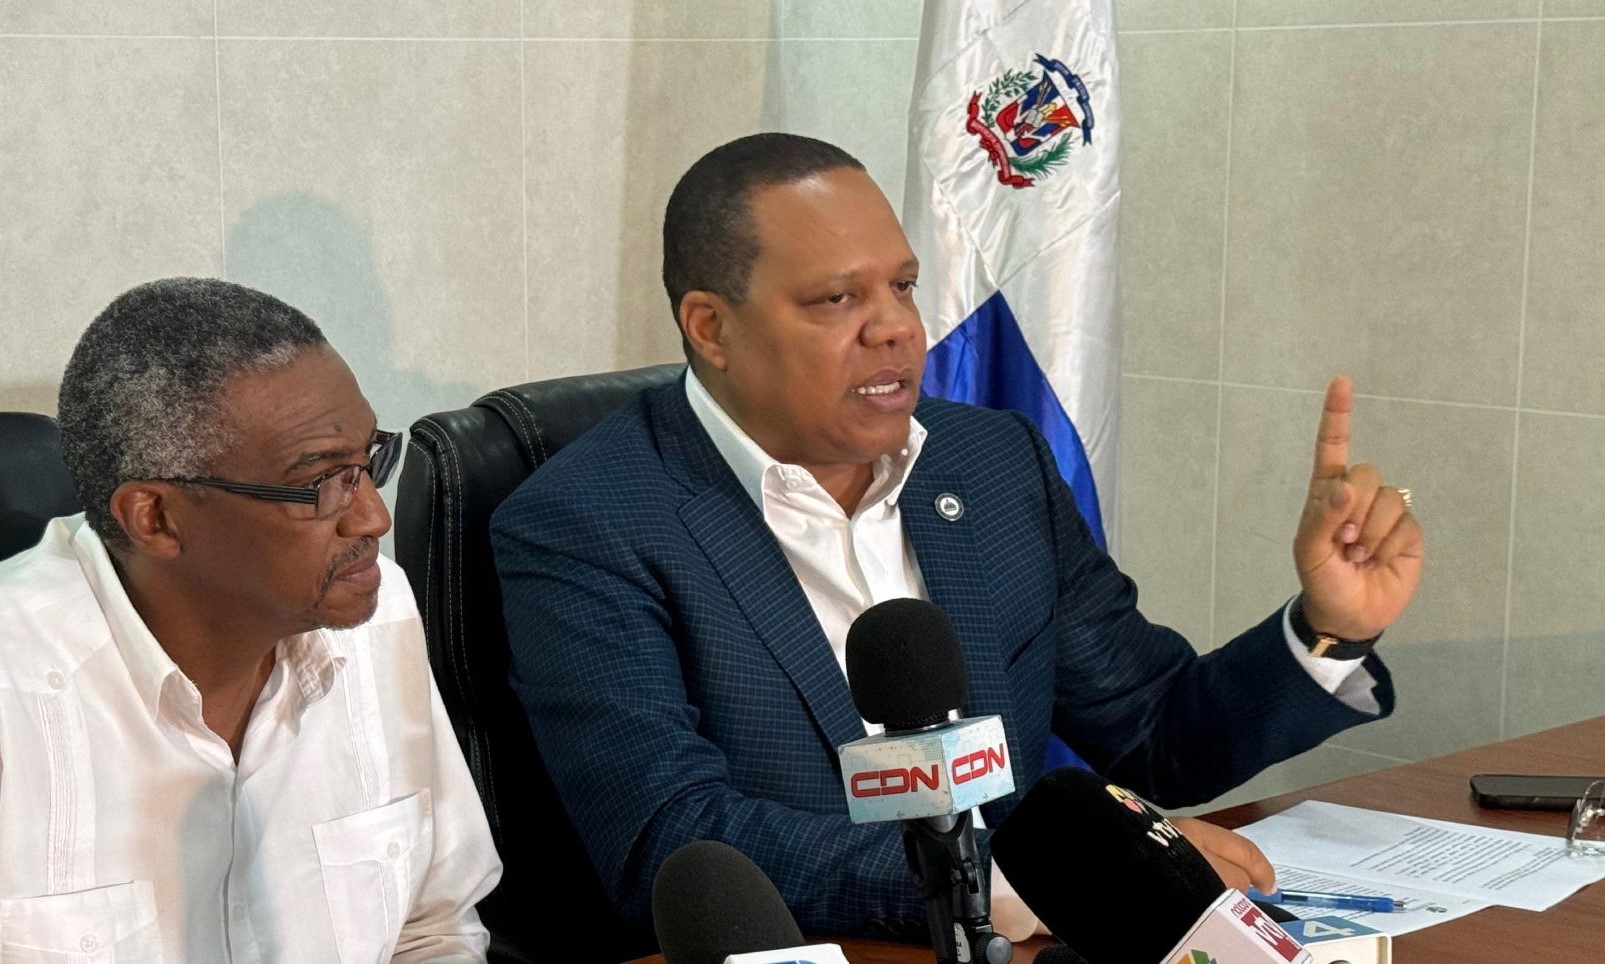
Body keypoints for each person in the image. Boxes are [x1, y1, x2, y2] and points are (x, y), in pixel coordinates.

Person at [492, 134, 1423, 940]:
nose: (896, 328)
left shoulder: (989, 463)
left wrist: (1326, 630)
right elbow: (669, 836)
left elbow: (1150, 731)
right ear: (711, 327)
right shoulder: (588, 523)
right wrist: (1006, 880)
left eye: (901, 286)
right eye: (836, 300)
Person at [0, 278, 501, 961]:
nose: (373, 518)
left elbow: (430, 926)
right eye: (320, 482)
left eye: (369, 462)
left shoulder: (377, 615)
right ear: (156, 518)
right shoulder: (14, 689)